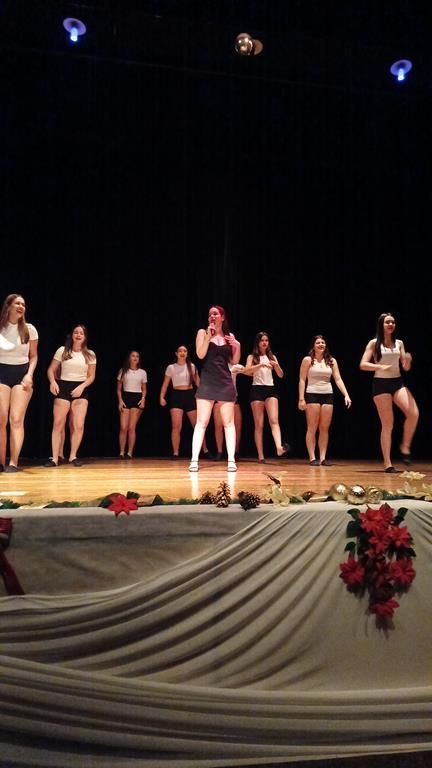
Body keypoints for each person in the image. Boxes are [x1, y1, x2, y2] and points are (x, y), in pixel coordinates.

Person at [360, 312, 419, 473]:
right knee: (388, 424)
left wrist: (407, 360)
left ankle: (405, 446)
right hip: (380, 384)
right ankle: (387, 463)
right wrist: (380, 366)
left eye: (393, 322)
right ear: (382, 325)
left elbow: (405, 367)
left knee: (413, 413)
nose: (391, 324)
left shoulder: (399, 343)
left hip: (397, 382)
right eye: (387, 322)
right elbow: (363, 364)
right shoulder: (374, 343)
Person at [189, 305, 241, 472]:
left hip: (225, 381)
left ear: (222, 317)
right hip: (208, 381)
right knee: (202, 422)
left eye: (215, 314)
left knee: (228, 422)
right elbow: (200, 354)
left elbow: (234, 361)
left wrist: (237, 345)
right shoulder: (202, 333)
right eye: (210, 314)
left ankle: (231, 460)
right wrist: (208, 337)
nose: (212, 316)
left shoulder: (229, 336)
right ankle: (194, 460)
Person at [46, 325, 96, 467]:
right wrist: (53, 382)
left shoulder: (90, 354)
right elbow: (50, 370)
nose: (78, 335)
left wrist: (82, 387)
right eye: (76, 332)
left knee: (78, 425)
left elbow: (91, 376)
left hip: (81, 388)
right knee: (58, 423)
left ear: (85, 337)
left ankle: (73, 456)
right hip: (63, 386)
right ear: (72, 335)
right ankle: (55, 458)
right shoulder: (62, 350)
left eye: (81, 333)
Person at [298, 334, 351, 466]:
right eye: (318, 343)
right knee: (312, 427)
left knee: (324, 428)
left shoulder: (331, 361)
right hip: (312, 394)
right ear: (313, 346)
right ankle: (312, 457)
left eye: (323, 342)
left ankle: (322, 458)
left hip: (327, 394)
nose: (321, 344)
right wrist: (301, 399)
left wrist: (346, 394)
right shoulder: (308, 360)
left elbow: (338, 379)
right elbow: (302, 380)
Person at [0, 293, 38, 472]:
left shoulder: (29, 329)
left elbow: (34, 356)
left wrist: (29, 375)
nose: (21, 306)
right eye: (17, 303)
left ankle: (13, 463)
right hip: (1, 373)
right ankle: (1, 462)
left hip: (21, 374)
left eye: (23, 304)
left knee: (16, 419)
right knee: (1, 418)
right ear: (8, 306)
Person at [244, 331, 289, 463]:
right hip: (257, 389)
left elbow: (280, 375)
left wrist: (276, 365)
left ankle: (279, 448)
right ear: (258, 342)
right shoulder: (252, 356)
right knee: (259, 424)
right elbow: (246, 370)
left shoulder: (272, 356)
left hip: (270, 389)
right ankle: (261, 455)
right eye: (262, 340)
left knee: (274, 420)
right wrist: (260, 365)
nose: (264, 343)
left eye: (266, 340)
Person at [159, 344, 211, 459]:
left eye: (185, 351)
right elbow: (165, 384)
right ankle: (175, 452)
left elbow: (198, 383)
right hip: (176, 396)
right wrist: (161, 397)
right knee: (176, 426)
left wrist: (206, 395)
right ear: (176, 354)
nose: (182, 353)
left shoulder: (191, 366)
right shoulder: (171, 367)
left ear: (187, 354)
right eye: (180, 351)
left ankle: (205, 450)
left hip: (189, 395)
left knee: (198, 425)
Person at [117, 350, 147, 459]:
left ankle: (129, 452)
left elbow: (144, 389)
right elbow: (118, 389)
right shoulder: (123, 371)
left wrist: (143, 399)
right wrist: (120, 400)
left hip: (137, 398)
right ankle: (121, 452)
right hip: (126, 397)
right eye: (133, 356)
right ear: (129, 358)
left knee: (132, 427)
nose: (135, 358)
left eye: (137, 356)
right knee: (123, 427)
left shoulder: (142, 372)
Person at [213, 363, 243, 460]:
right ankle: (219, 451)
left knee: (237, 426)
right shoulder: (216, 364)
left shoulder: (235, 365)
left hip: (233, 398)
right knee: (218, 426)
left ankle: (235, 451)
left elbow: (248, 371)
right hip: (219, 397)